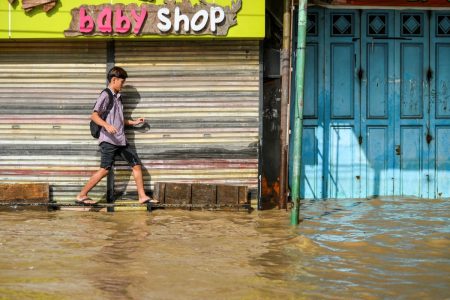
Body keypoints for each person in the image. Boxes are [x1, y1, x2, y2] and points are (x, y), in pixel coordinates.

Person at [76, 66, 158, 205]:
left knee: (136, 165)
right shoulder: (106, 95)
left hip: (121, 140)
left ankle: (142, 196)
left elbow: (118, 120)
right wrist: (106, 125)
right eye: (122, 82)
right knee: (104, 170)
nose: (123, 85)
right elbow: (94, 115)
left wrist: (133, 122)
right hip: (109, 140)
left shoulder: (118, 98)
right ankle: (82, 195)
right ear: (114, 80)